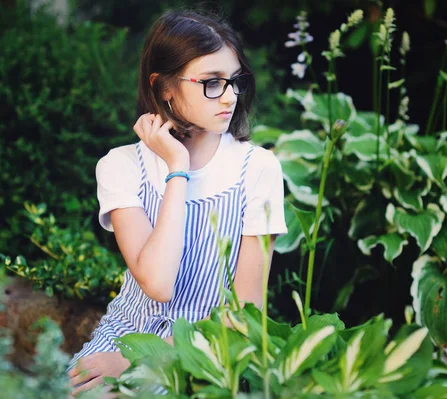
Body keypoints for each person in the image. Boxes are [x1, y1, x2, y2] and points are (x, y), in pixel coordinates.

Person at [67, 9, 287, 396]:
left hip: (208, 355)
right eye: (212, 83)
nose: (230, 95)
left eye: (234, 81)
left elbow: (245, 317)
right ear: (164, 87)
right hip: (123, 336)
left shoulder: (258, 169)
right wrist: (177, 169)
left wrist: (139, 361)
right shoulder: (121, 166)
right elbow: (158, 282)